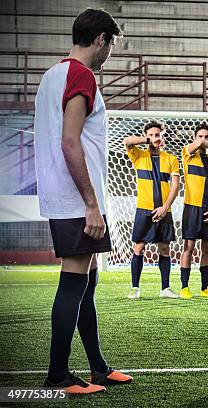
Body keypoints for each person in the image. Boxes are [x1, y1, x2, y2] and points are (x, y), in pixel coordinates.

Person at [34, 8, 132, 394]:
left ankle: (98, 368)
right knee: (74, 284)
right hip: (78, 200)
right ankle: (57, 376)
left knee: (86, 283)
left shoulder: (51, 75)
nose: (109, 54)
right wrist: (91, 204)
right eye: (111, 45)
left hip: (68, 196)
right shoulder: (81, 75)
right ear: (101, 39)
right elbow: (69, 141)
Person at [124, 121, 180, 299]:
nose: (156, 138)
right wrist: (146, 140)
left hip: (164, 211)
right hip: (144, 210)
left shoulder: (171, 159)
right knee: (139, 247)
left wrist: (165, 207)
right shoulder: (138, 155)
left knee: (164, 248)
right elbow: (127, 141)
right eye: (152, 135)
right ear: (147, 136)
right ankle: (135, 288)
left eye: (158, 134)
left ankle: (165, 288)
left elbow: (176, 186)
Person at [178, 123, 208, 299]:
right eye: (200, 136)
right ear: (195, 138)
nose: (203, 140)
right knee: (188, 247)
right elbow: (198, 146)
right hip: (191, 207)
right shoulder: (187, 153)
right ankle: (184, 287)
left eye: (206, 137)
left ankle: (205, 288)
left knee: (206, 248)